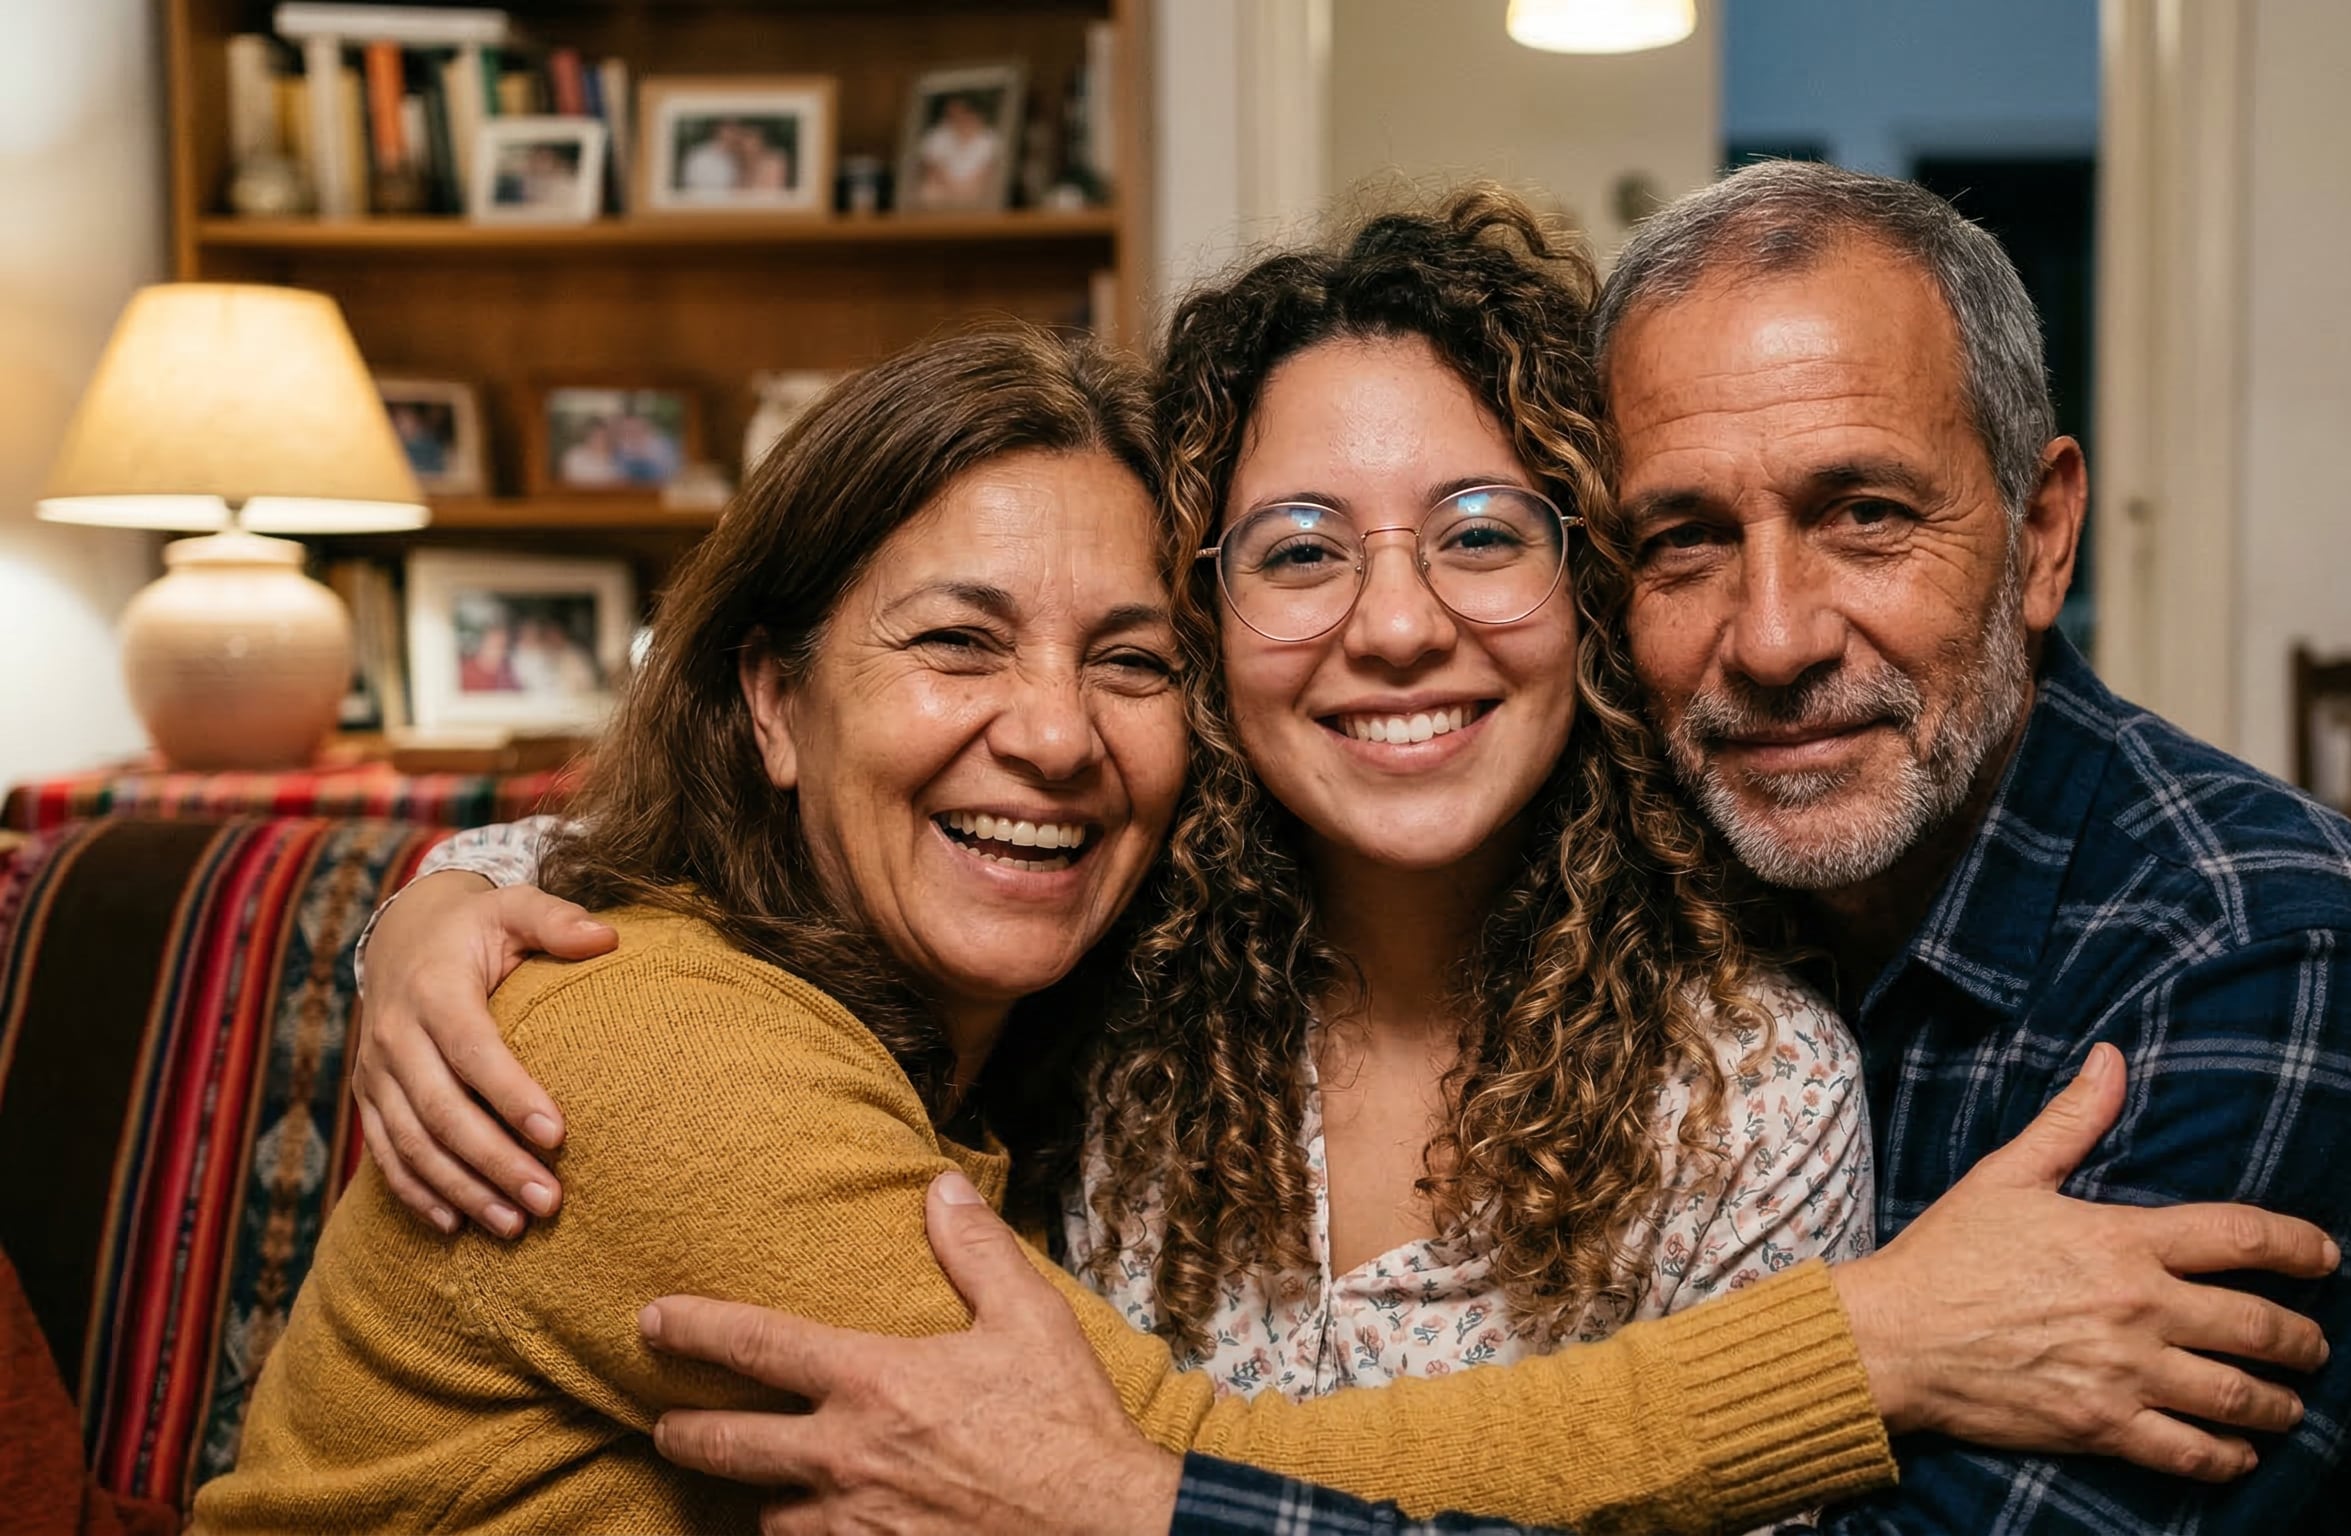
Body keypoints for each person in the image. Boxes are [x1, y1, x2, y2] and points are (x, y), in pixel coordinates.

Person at [341, 197, 2343, 1527]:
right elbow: (697, 901)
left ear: (1587, 591)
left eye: (1480, 532)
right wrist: (431, 915)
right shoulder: (1081, 973)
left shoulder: (1746, 1086)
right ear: (1209, 623)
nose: (1393, 625)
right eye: (1297, 550)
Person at [825, 161, 2351, 1532]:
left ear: (2042, 538)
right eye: (1684, 540)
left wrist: (1134, 1508)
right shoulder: (1131, 958)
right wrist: (548, 904)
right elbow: (804, 857)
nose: (1777, 634)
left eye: (1864, 513)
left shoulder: (2255, 958)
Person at [188, 325, 1935, 1536]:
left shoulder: (1088, 965)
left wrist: (443, 894)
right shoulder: (658, 1045)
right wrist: (1873, 1351)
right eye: (956, 642)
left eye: (1126, 660)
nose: (1053, 736)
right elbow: (1183, 1479)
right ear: (772, 703)